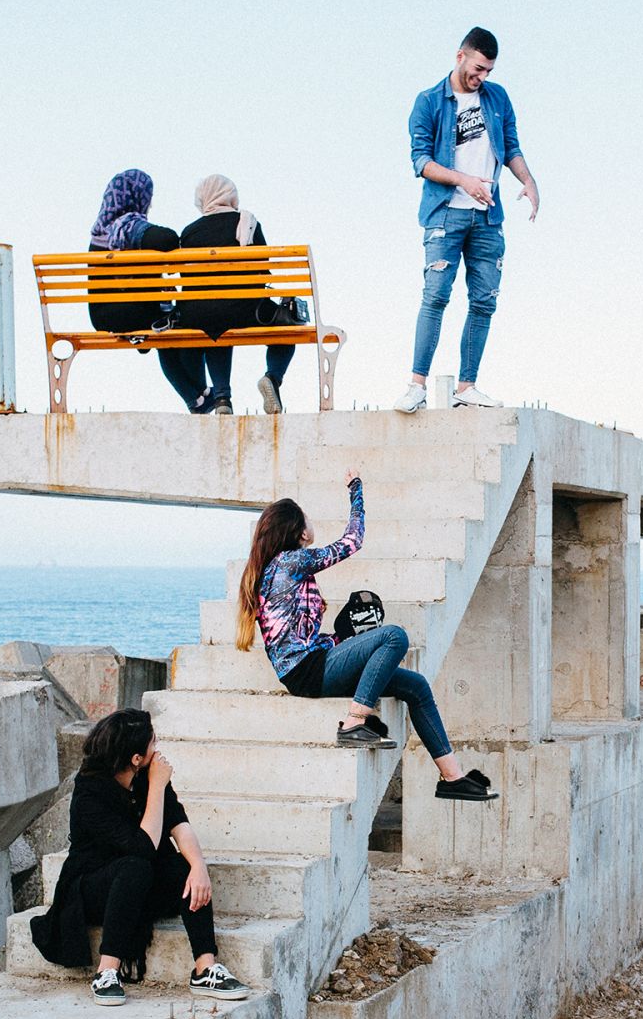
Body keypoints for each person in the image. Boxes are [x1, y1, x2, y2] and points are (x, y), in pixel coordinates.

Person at [236, 474, 496, 802]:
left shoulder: (278, 568)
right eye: (308, 519)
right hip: (309, 671)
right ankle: (354, 723)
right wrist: (355, 490)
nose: (312, 523)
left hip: (309, 666)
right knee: (394, 637)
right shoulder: (292, 561)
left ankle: (452, 777)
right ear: (301, 532)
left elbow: (298, 638)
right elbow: (352, 541)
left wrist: (340, 636)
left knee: (416, 687)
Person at [30, 710, 248, 1008]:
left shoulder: (148, 776)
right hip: (92, 890)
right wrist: (157, 787)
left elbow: (179, 825)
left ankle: (205, 968)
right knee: (135, 867)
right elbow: (141, 848)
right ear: (135, 758)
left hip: (137, 887)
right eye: (152, 742)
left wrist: (198, 866)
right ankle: (107, 971)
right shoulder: (90, 793)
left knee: (182, 866)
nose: (157, 748)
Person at [392, 27, 541, 415]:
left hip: (488, 219)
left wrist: (528, 181)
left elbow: (511, 146)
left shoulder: (498, 98)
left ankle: (467, 386)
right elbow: (420, 162)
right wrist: (465, 182)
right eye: (477, 69)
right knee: (436, 296)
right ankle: (416, 385)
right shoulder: (428, 102)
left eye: (488, 71)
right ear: (460, 56)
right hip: (445, 213)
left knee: (484, 302)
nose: (482, 78)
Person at [88, 168, 213, 414]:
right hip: (132, 311)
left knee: (166, 323)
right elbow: (166, 239)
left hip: (102, 314)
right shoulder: (127, 226)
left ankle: (198, 399)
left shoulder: (99, 231)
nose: (151, 203)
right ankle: (199, 395)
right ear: (137, 196)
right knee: (180, 320)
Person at [177, 174, 296, 416]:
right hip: (246, 309)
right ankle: (272, 377)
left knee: (216, 325)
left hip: (200, 313)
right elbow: (263, 272)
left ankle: (222, 398)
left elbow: (186, 279)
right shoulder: (247, 222)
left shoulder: (189, 232)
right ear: (231, 194)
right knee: (288, 327)